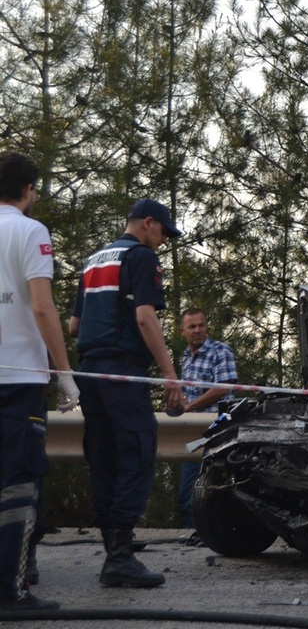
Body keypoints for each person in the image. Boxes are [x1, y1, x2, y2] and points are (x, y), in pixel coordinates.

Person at [69, 198, 182, 588]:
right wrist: (169, 374)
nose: (163, 240)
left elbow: (73, 325)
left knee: (104, 458)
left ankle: (115, 550)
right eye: (163, 232)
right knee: (136, 450)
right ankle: (120, 557)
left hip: (89, 369)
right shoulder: (142, 257)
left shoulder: (94, 259)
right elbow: (145, 317)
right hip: (122, 370)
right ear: (147, 223)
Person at [0, 151, 79, 610]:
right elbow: (44, 308)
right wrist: (65, 375)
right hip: (19, 378)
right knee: (18, 483)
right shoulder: (31, 231)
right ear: (29, 191)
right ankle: (8, 592)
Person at [176, 307, 237, 537]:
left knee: (216, 488)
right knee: (188, 491)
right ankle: (197, 534)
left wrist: (189, 406)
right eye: (192, 326)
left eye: (201, 325)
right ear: (183, 331)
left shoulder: (220, 351)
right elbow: (188, 395)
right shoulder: (185, 357)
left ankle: (213, 537)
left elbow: (222, 388)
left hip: (218, 430)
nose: (198, 330)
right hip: (193, 432)